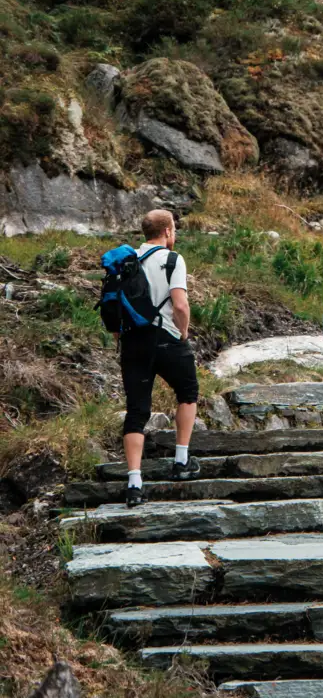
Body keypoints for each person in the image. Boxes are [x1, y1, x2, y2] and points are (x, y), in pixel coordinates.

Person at [122, 209, 200, 507]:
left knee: (137, 410)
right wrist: (183, 332)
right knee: (188, 392)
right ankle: (181, 462)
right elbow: (179, 304)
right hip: (166, 339)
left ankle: (134, 483)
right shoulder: (172, 259)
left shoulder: (127, 260)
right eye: (174, 229)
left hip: (132, 343)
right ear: (167, 231)